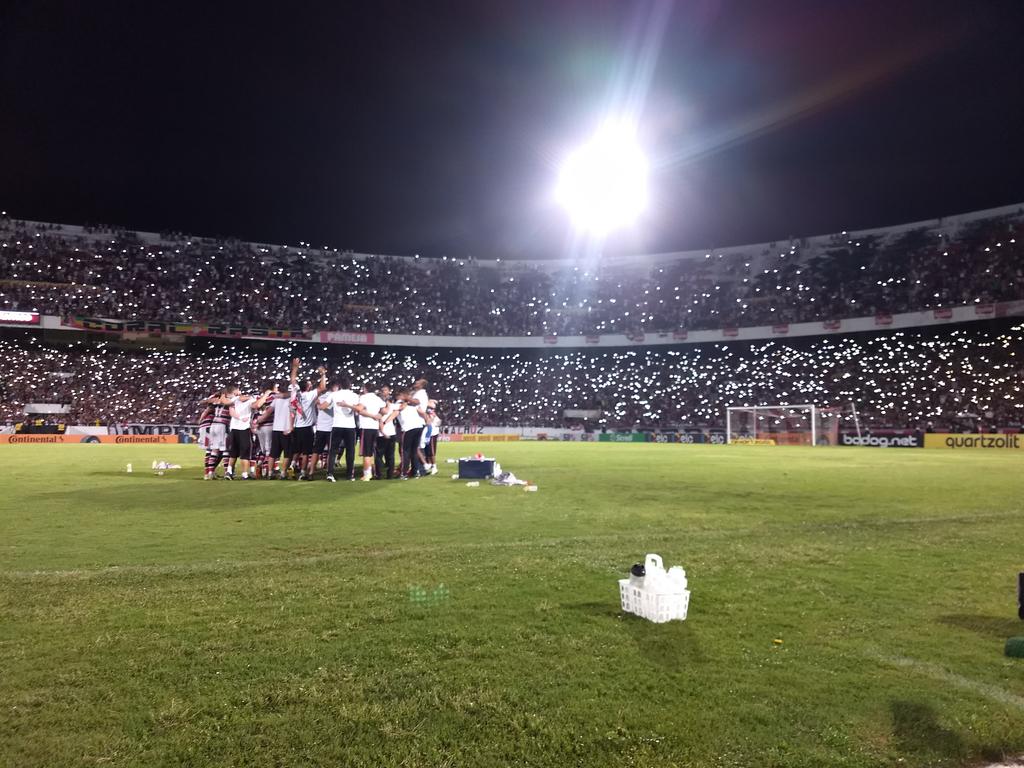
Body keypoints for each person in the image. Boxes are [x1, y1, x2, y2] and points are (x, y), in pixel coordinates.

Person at [291, 359, 328, 480]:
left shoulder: (296, 394)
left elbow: (293, 381)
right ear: (307, 387)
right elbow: (322, 387)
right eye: (309, 384)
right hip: (307, 428)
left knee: (296, 449)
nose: (311, 384)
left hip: (297, 427)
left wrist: (295, 367)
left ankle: (292, 465)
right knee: (306, 452)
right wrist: (323, 374)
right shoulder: (309, 395)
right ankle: (302, 472)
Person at [225, 385, 272, 480]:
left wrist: (239, 417)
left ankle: (229, 472)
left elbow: (231, 411)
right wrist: (266, 394)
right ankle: (245, 474)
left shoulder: (234, 399)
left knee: (233, 453)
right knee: (245, 454)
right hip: (244, 429)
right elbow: (258, 405)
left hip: (234, 429)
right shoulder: (248, 400)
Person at [324, 377, 359, 482]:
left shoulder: (334, 394)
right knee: (350, 451)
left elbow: (323, 406)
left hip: (337, 425)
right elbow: (358, 409)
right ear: (350, 385)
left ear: (339, 385)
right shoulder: (354, 395)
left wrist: (319, 404)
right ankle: (350, 475)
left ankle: (330, 474)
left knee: (333, 450)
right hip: (350, 426)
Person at [357, 382, 386, 481]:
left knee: (366, 453)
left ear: (365, 388)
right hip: (375, 427)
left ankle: (367, 474)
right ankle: (374, 472)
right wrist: (378, 415)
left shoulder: (364, 398)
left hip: (366, 427)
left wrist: (372, 415)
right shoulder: (378, 399)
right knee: (373, 452)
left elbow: (359, 409)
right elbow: (384, 410)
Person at [396, 387, 428, 478]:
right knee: (414, 451)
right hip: (418, 427)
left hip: (408, 428)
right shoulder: (414, 405)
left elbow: (394, 410)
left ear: (402, 395)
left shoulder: (399, 403)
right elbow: (421, 412)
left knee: (405, 451)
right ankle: (415, 472)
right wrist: (427, 420)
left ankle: (403, 473)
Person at [267, 380, 295, 479]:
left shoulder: (276, 399)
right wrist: (291, 427)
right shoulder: (291, 399)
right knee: (287, 453)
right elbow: (292, 414)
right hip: (286, 429)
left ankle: (270, 473)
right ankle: (283, 473)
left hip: (276, 429)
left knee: (273, 453)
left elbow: (268, 412)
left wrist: (258, 421)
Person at [375, 385, 399, 479]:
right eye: (382, 390)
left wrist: (383, 430)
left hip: (384, 434)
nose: (383, 391)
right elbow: (398, 410)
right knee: (389, 455)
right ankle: (389, 475)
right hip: (389, 433)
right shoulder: (390, 406)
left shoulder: (387, 406)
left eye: (385, 390)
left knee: (380, 456)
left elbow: (401, 407)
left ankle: (379, 475)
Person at [313, 384, 335, 479]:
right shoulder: (334, 396)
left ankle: (310, 471)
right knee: (331, 451)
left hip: (320, 427)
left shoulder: (319, 397)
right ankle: (329, 472)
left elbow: (318, 408)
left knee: (316, 451)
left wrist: (318, 404)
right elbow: (329, 408)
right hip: (330, 428)